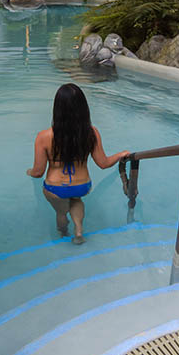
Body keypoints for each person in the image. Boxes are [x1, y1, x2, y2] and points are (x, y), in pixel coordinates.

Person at [27, 83, 129, 244]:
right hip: (82, 185)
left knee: (61, 212)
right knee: (76, 200)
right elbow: (103, 163)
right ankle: (79, 230)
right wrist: (121, 154)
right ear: (83, 108)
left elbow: (38, 172)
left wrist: (30, 172)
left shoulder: (43, 137)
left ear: (57, 109)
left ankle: (62, 237)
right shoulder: (91, 133)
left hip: (56, 188)